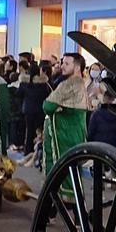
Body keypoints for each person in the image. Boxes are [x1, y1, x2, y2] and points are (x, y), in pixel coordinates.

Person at [42, 53, 90, 189]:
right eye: (62, 62)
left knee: (61, 166)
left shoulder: (69, 84)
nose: (61, 66)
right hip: (75, 131)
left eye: (66, 64)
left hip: (63, 133)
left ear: (77, 67)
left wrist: (54, 108)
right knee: (72, 168)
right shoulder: (81, 82)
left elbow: (47, 106)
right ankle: (73, 200)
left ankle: (61, 198)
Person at [20, 61, 53, 157]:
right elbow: (49, 95)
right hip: (40, 110)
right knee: (39, 131)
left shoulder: (24, 83)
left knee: (29, 131)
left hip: (28, 110)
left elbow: (18, 94)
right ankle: (38, 151)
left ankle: (28, 151)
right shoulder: (44, 84)